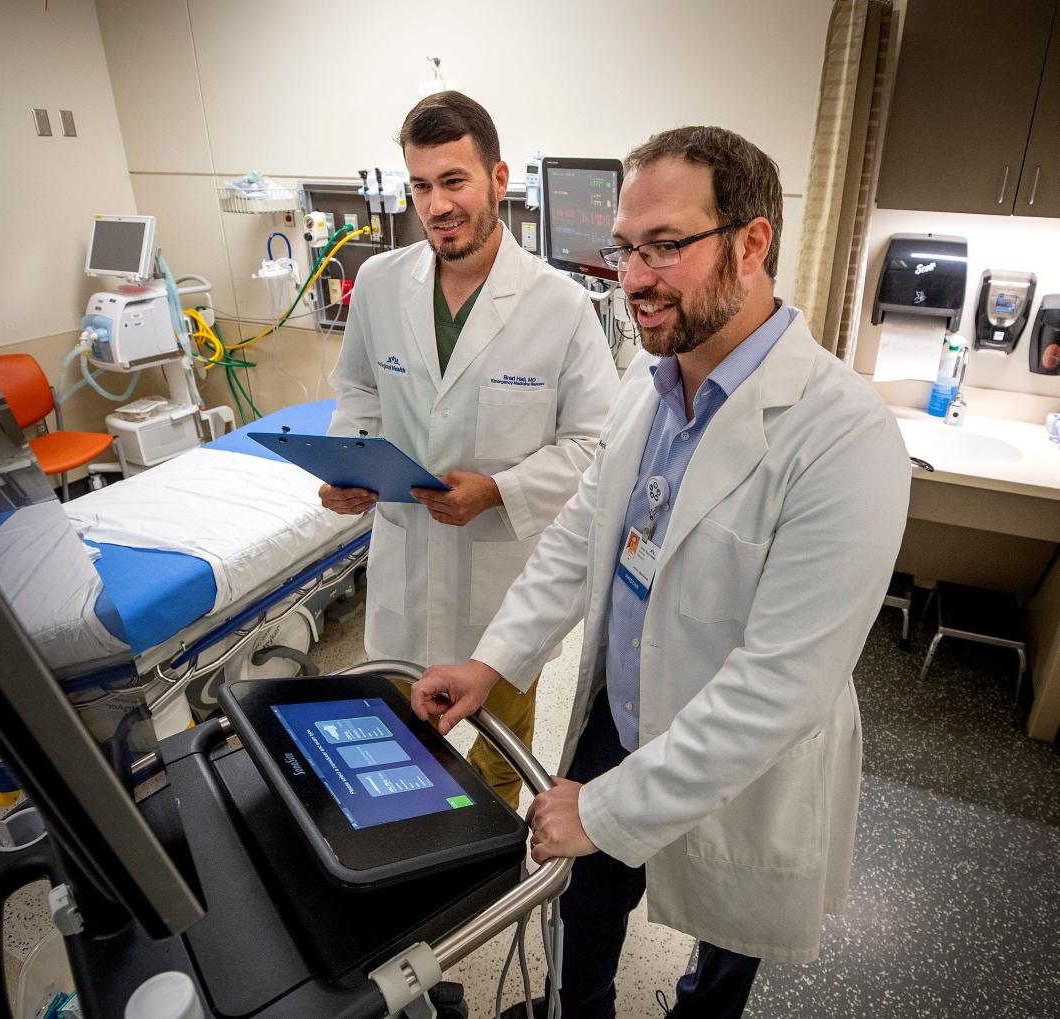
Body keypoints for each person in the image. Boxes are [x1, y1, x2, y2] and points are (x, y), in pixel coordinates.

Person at [411, 126, 911, 1018]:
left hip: (745, 748)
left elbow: (780, 686)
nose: (633, 278)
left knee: (728, 935)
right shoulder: (648, 387)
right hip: (625, 710)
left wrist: (607, 811)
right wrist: (493, 662)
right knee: (586, 905)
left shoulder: (846, 437)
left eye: (666, 247)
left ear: (752, 244)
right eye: (627, 249)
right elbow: (578, 538)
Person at [321, 92, 618, 808]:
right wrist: (350, 463)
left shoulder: (560, 306)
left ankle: (484, 882)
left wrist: (499, 490)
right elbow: (358, 390)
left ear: (497, 178)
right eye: (420, 186)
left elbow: (599, 446)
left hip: (503, 588)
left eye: (453, 181)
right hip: (403, 573)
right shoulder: (383, 285)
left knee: (496, 763)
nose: (435, 205)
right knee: (394, 756)